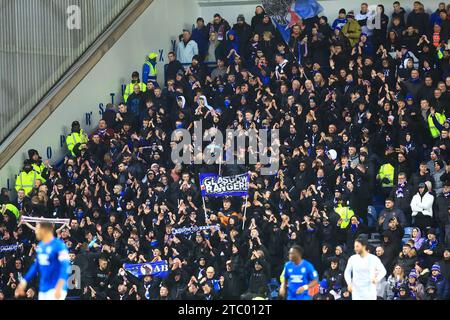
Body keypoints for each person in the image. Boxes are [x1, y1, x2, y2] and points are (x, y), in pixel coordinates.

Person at [15, 222, 70, 300]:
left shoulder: (59, 246)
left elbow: (65, 267)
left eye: (38, 229)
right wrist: (23, 282)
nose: (36, 231)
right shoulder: (41, 246)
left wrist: (60, 285)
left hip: (56, 287)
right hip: (44, 288)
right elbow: (35, 266)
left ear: (44, 230)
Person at [344, 236, 387, 300]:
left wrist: (377, 279)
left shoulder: (373, 258)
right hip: (356, 292)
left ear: (364, 246)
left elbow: (383, 271)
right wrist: (349, 283)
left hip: (369, 292)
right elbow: (347, 272)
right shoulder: (352, 258)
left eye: (357, 246)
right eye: (354, 246)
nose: (355, 248)